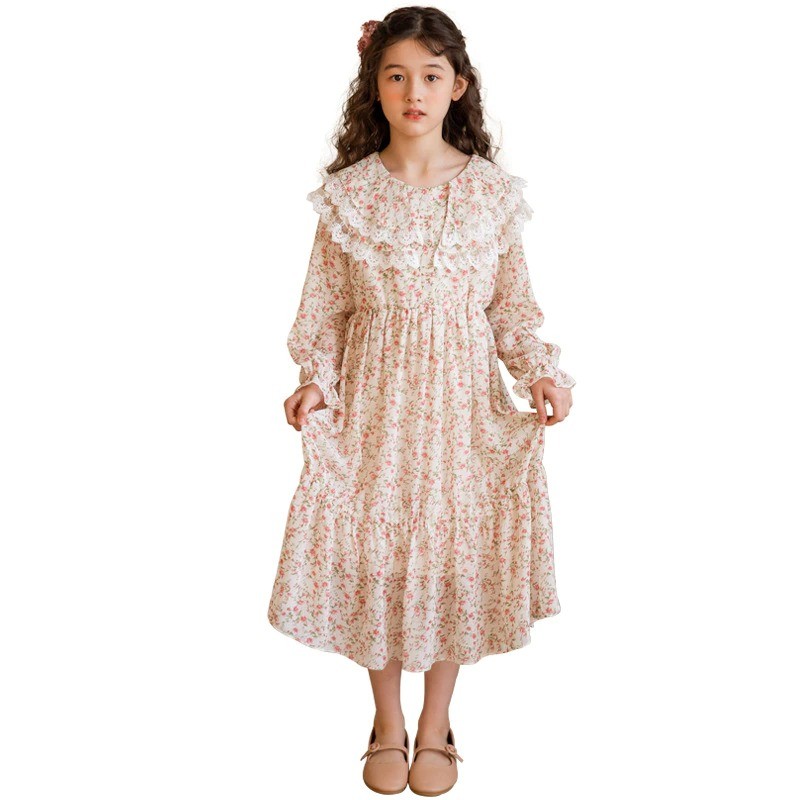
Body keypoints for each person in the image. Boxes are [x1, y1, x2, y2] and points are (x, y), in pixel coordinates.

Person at [267, 8, 576, 796]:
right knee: (378, 551)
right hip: (377, 407)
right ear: (375, 86)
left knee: (451, 553)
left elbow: (511, 310)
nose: (414, 91)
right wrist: (316, 380)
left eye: (431, 76)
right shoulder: (348, 197)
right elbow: (325, 313)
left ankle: (437, 724)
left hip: (460, 410)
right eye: (397, 75)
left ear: (457, 87)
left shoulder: (492, 195)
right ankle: (386, 721)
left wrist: (538, 373)